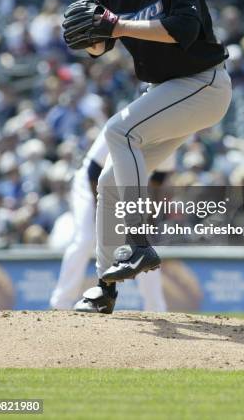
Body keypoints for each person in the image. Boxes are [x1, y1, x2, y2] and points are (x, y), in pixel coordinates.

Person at [63, 0, 232, 313]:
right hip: (167, 91)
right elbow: (101, 44)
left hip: (203, 84)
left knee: (119, 132)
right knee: (107, 182)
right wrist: (93, 38)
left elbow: (181, 31)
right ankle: (105, 286)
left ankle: (138, 241)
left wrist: (116, 25)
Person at [49, 129, 169, 312]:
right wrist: (103, 216)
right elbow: (93, 171)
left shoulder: (170, 131)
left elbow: (158, 181)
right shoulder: (129, 122)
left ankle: (156, 307)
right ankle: (61, 303)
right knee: (86, 239)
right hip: (90, 186)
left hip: (127, 190)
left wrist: (149, 216)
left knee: (142, 246)